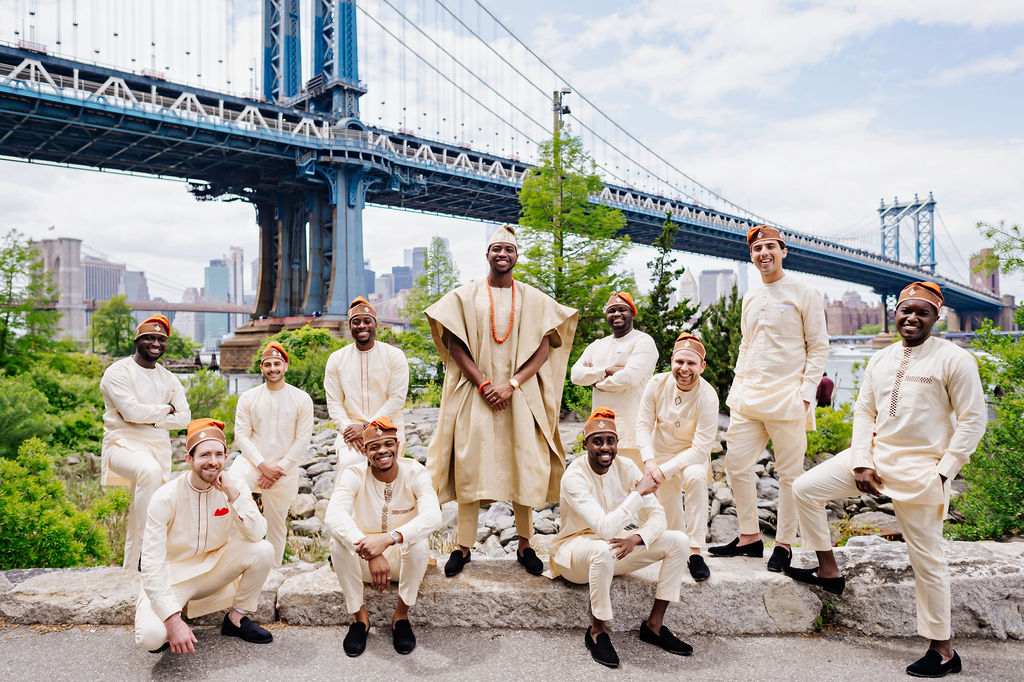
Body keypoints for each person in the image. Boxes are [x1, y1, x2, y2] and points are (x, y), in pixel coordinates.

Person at [787, 282, 985, 678]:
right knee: (804, 489)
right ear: (894, 313)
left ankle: (943, 651)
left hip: (923, 469)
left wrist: (944, 472)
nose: (911, 317)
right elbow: (864, 411)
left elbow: (973, 420)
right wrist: (860, 460)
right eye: (904, 310)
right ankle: (829, 571)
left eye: (922, 312)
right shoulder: (881, 358)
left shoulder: (955, 360)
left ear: (936, 317)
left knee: (927, 559)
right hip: (876, 457)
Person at [424, 224, 577, 578]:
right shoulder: (465, 296)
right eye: (496, 249)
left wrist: (511, 384)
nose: (502, 255)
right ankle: (463, 547)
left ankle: (525, 544)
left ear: (516, 257)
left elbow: (544, 347)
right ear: (487, 255)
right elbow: (455, 344)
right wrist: (483, 384)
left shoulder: (533, 298)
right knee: (469, 463)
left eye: (508, 249)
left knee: (522, 462)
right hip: (477, 393)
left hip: (519, 394)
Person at [709, 225, 829, 572]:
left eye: (770, 247)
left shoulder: (805, 292)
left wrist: (805, 394)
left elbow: (818, 346)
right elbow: (747, 345)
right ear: (751, 255)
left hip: (788, 398)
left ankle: (784, 544)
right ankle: (749, 537)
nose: (764, 253)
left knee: (791, 475)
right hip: (748, 398)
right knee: (735, 465)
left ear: (783, 251)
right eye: (757, 248)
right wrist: (737, 387)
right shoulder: (751, 297)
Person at [550, 408, 692, 668]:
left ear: (617, 444)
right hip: (576, 554)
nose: (605, 447)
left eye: (610, 441)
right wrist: (637, 493)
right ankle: (597, 632)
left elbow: (658, 516)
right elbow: (604, 528)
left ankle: (654, 626)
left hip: (617, 547)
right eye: (597, 441)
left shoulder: (626, 466)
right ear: (586, 444)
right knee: (602, 549)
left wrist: (637, 538)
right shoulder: (574, 476)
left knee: (679, 541)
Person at [134, 418, 275, 654]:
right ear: (189, 459)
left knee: (263, 549)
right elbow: (150, 564)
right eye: (205, 455)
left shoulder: (235, 484)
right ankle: (174, 620)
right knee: (151, 638)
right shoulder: (164, 497)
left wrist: (232, 494)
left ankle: (236, 620)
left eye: (219, 454)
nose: (213, 462)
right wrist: (171, 620)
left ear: (226, 457)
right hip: (174, 579)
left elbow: (257, 533)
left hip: (214, 570)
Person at [325, 417, 442, 657]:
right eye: (374, 447)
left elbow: (433, 516)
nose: (382, 451)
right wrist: (368, 551)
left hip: (401, 562)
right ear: (366, 452)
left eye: (388, 444)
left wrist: (389, 538)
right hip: (364, 562)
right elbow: (333, 515)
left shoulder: (415, 472)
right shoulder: (354, 474)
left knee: (419, 542)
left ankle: (401, 616)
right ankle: (360, 619)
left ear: (398, 446)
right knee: (337, 541)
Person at [99, 314, 191, 571]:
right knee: (147, 472)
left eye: (161, 339)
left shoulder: (169, 379)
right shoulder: (117, 372)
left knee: (137, 515)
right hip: (121, 446)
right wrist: (165, 411)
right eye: (149, 337)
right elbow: (131, 413)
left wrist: (150, 417)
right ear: (137, 339)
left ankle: (131, 573)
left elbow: (185, 418)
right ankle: (151, 544)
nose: (156, 343)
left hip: (158, 451)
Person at [636, 332, 719, 582]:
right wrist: (650, 461)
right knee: (668, 501)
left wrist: (663, 470)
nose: (684, 369)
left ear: (702, 366)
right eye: (679, 362)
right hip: (658, 455)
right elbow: (642, 425)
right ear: (672, 361)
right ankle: (676, 545)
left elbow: (701, 449)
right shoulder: (657, 383)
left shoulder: (708, 396)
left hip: (691, 456)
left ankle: (695, 551)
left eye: (691, 363)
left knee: (695, 479)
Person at [229, 341, 314, 565]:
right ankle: (235, 560)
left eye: (277, 363)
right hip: (252, 462)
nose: (273, 368)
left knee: (277, 523)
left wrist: (278, 469)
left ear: (285, 366)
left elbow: (303, 439)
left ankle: (274, 570)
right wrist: (262, 465)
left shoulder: (301, 398)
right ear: (261, 368)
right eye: (268, 364)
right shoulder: (248, 398)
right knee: (232, 492)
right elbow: (241, 436)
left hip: (284, 468)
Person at [570, 291, 658, 469]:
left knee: (637, 488)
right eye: (611, 311)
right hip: (601, 433)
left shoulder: (643, 341)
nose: (616, 314)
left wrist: (595, 380)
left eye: (622, 310)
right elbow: (576, 375)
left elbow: (628, 378)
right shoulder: (597, 345)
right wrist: (607, 370)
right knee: (606, 488)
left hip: (634, 433)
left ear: (632, 313)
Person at [325, 296, 410, 471]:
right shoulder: (336, 359)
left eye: (367, 321)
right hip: (351, 431)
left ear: (375, 325)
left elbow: (397, 399)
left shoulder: (394, 356)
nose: (361, 326)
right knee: (351, 466)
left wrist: (366, 428)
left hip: (387, 428)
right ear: (350, 327)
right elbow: (334, 403)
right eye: (356, 322)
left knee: (385, 473)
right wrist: (349, 430)